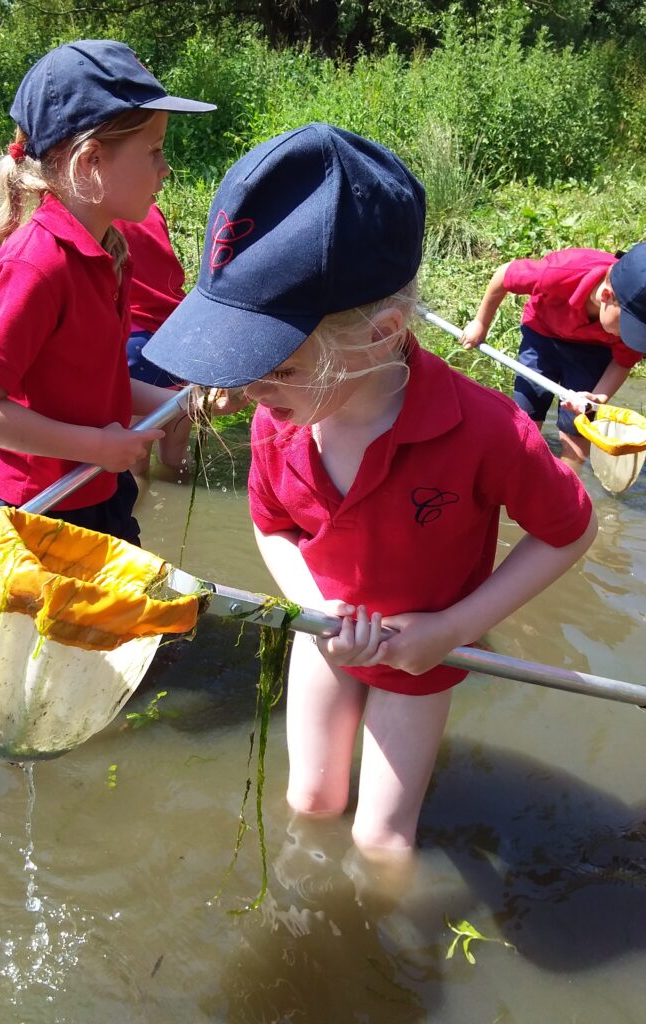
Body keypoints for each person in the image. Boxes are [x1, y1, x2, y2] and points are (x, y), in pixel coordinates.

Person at [142, 123, 598, 870]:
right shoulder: (275, 420)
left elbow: (569, 530)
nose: (248, 390)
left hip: (424, 658)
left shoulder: (487, 430)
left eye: (276, 366)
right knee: (309, 804)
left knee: (381, 844)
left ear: (383, 334)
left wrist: (453, 628)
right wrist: (314, 609)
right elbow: (272, 526)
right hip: (327, 637)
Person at [0, 39, 215, 543]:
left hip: (96, 489)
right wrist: (93, 445)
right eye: (154, 152)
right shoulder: (37, 264)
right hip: (33, 513)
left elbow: (98, 382)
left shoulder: (109, 250)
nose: (166, 169)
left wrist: (180, 402)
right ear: (91, 160)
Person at [460, 246, 646, 467]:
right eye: (629, 327)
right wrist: (481, 323)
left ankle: (565, 486)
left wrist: (598, 398)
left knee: (577, 429)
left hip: (594, 351)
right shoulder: (560, 272)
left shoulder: (635, 320)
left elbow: (622, 362)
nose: (631, 336)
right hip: (542, 335)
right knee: (526, 415)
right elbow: (504, 274)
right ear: (606, 295)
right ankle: (518, 469)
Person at [117, 208, 190, 475]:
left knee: (135, 469)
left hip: (134, 336)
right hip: (179, 329)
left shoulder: (99, 213)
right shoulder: (149, 208)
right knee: (177, 459)